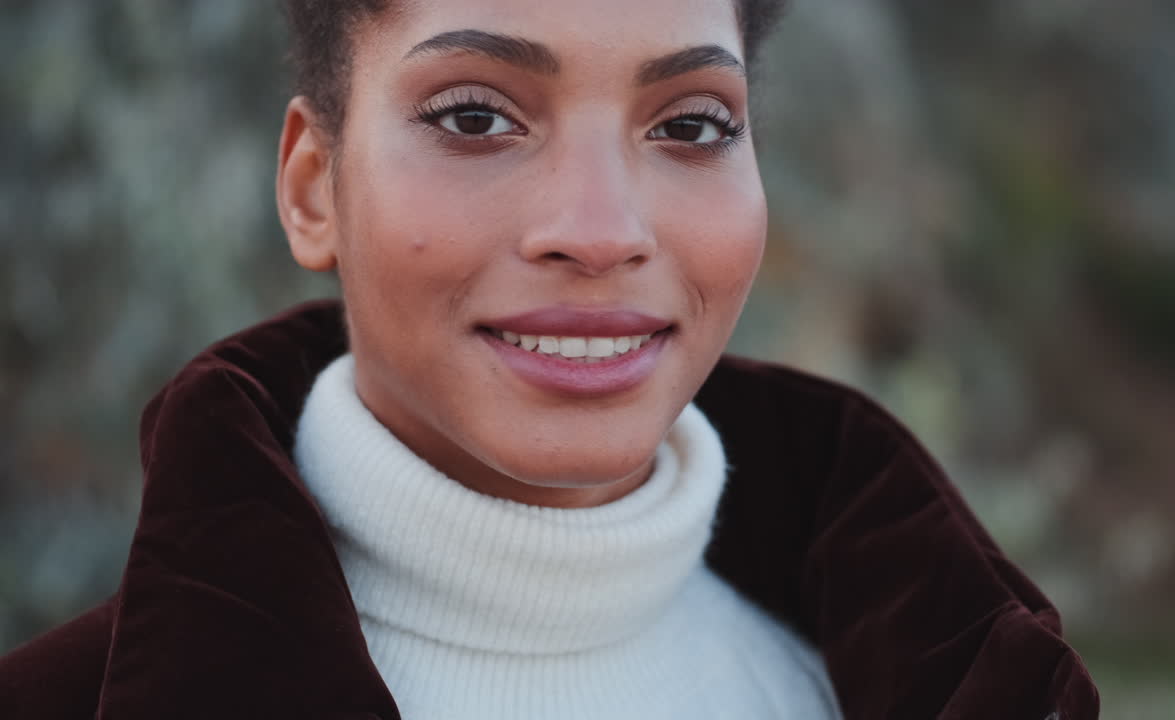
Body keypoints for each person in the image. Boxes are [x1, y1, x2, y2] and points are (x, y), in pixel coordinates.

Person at [0, 0, 1099, 717]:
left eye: (691, 125)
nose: (601, 227)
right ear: (311, 186)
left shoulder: (938, 682)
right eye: (476, 117)